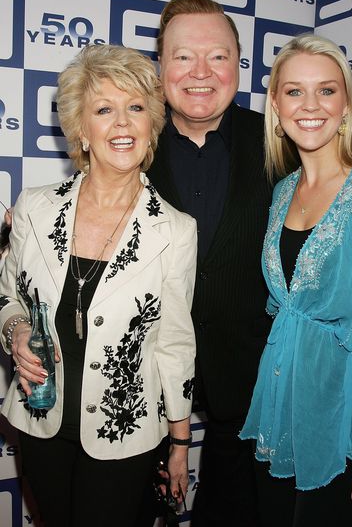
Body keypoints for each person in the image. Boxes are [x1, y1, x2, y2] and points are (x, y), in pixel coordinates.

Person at [0, 44, 197, 527]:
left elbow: (174, 343)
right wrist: (16, 332)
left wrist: (179, 442)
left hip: (125, 432)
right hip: (41, 419)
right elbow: (7, 297)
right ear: (81, 130)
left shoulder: (175, 229)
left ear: (152, 126)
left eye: (136, 109)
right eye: (104, 110)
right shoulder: (34, 207)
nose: (123, 123)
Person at [240, 33, 352, 526]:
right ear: (276, 107)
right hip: (283, 408)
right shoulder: (284, 190)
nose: (310, 105)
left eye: (326, 90)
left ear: (346, 105)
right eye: (294, 92)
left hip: (348, 415)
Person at [147, 0, 272, 527]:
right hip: (142, 377)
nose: (201, 72)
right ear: (160, 67)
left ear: (238, 65)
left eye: (217, 56)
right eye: (183, 57)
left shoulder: (280, 139)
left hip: (248, 380)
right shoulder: (129, 140)